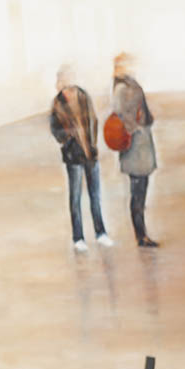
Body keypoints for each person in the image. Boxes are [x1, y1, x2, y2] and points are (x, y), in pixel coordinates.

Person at [49, 65, 113, 252]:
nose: (62, 82)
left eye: (65, 78)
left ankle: (101, 234)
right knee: (75, 198)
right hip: (73, 157)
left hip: (90, 155)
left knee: (95, 196)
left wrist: (92, 144)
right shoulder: (57, 103)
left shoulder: (84, 96)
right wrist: (67, 141)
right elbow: (55, 129)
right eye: (62, 78)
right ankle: (78, 238)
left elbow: (93, 120)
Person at [111, 53, 159, 247]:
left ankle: (142, 233)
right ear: (119, 67)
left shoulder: (129, 83)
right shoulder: (121, 87)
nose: (130, 66)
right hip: (134, 146)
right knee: (137, 191)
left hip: (141, 144)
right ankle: (141, 236)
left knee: (141, 189)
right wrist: (135, 128)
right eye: (125, 64)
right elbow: (119, 114)